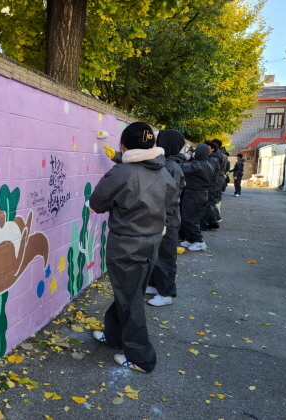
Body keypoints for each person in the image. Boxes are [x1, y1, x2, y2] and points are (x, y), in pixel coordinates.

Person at [90, 122, 177, 373]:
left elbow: (97, 202)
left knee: (130, 299)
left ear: (125, 146)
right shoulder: (164, 173)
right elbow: (170, 203)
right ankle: (114, 335)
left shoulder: (122, 172)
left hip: (126, 244)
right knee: (130, 293)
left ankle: (141, 358)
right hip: (152, 242)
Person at [146, 129, 186, 307]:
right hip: (162, 217)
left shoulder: (171, 166)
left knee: (165, 257)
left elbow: (169, 196)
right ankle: (155, 285)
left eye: (160, 140)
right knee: (157, 254)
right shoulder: (167, 162)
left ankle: (167, 293)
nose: (157, 143)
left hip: (166, 219)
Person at [179, 143, 214, 251]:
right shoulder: (209, 164)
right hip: (201, 194)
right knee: (191, 217)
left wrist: (186, 155)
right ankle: (191, 239)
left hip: (194, 194)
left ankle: (199, 241)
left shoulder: (196, 165)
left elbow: (179, 167)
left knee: (190, 218)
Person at [200, 141, 221, 231]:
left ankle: (207, 224)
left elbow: (207, 173)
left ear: (212, 149)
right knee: (209, 204)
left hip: (210, 185)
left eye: (206, 147)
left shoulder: (212, 160)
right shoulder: (212, 158)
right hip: (211, 185)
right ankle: (213, 223)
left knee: (207, 205)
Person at [212, 139, 229, 221]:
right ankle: (217, 216)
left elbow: (213, 168)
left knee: (213, 199)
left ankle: (216, 217)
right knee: (217, 199)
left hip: (216, 178)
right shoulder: (222, 154)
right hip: (221, 178)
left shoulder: (216, 155)